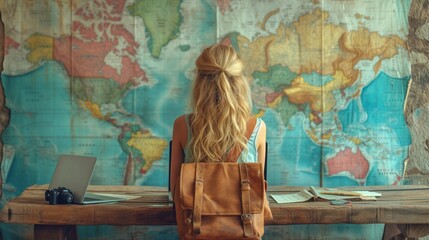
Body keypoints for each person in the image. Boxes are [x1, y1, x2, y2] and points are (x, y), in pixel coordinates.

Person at [169, 43, 267, 194]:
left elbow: (175, 189)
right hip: (244, 217)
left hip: (194, 217)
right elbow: (259, 190)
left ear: (200, 83)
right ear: (239, 81)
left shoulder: (182, 125)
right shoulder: (258, 127)